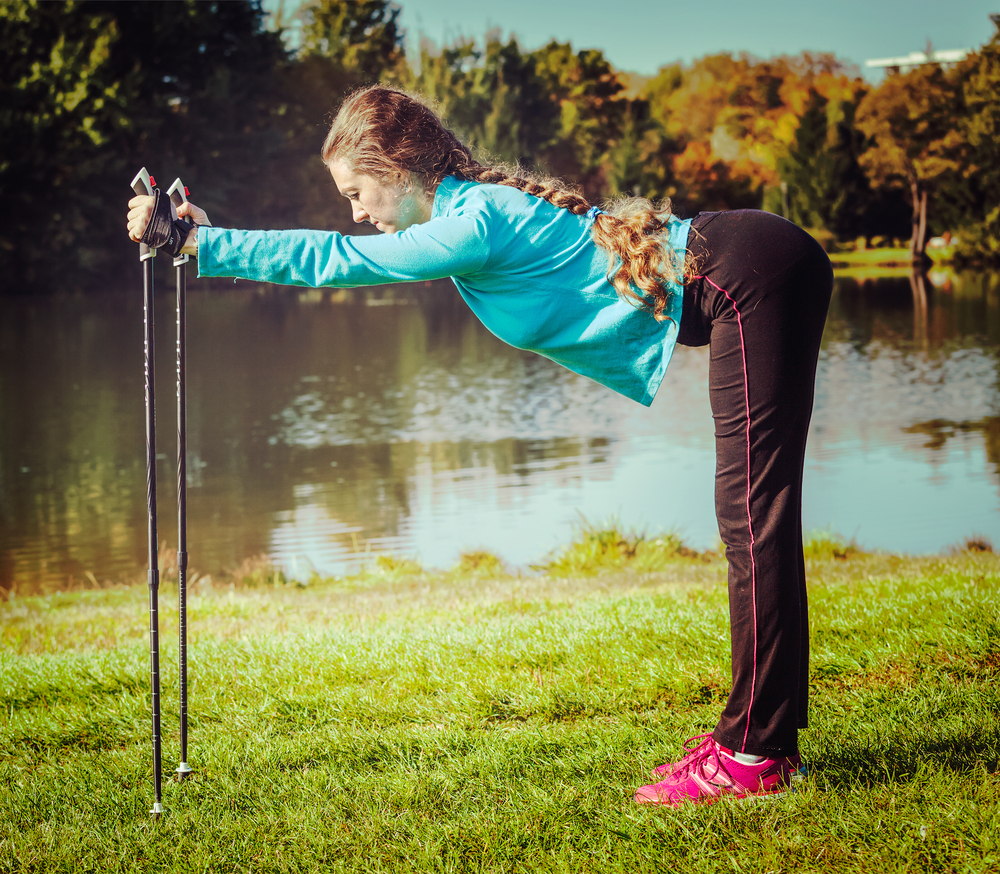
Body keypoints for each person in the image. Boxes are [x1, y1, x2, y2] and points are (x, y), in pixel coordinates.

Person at [127, 84, 833, 807]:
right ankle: (751, 738)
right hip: (746, 267)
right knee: (750, 514)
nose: (357, 211)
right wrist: (205, 239)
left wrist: (202, 243)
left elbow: (340, 260)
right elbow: (339, 249)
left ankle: (755, 754)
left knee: (752, 515)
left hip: (750, 274)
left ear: (398, 168)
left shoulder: (477, 222)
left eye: (358, 190)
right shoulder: (469, 210)